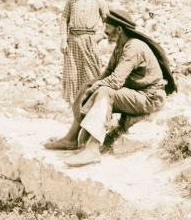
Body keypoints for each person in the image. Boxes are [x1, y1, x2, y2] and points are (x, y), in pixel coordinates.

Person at [45, 9, 177, 167]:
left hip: (149, 97)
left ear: (119, 29)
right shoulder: (121, 46)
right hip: (135, 92)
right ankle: (72, 138)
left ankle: (93, 149)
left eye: (107, 27)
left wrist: (96, 88)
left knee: (104, 92)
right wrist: (90, 86)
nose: (105, 31)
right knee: (89, 85)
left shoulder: (134, 47)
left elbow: (115, 82)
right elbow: (107, 74)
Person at [60, 0, 109, 104]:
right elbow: (64, 19)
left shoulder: (99, 1)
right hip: (72, 41)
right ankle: (74, 106)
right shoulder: (71, 0)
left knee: (91, 72)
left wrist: (100, 37)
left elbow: (109, 23)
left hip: (89, 41)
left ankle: (92, 103)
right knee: (72, 74)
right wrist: (63, 40)